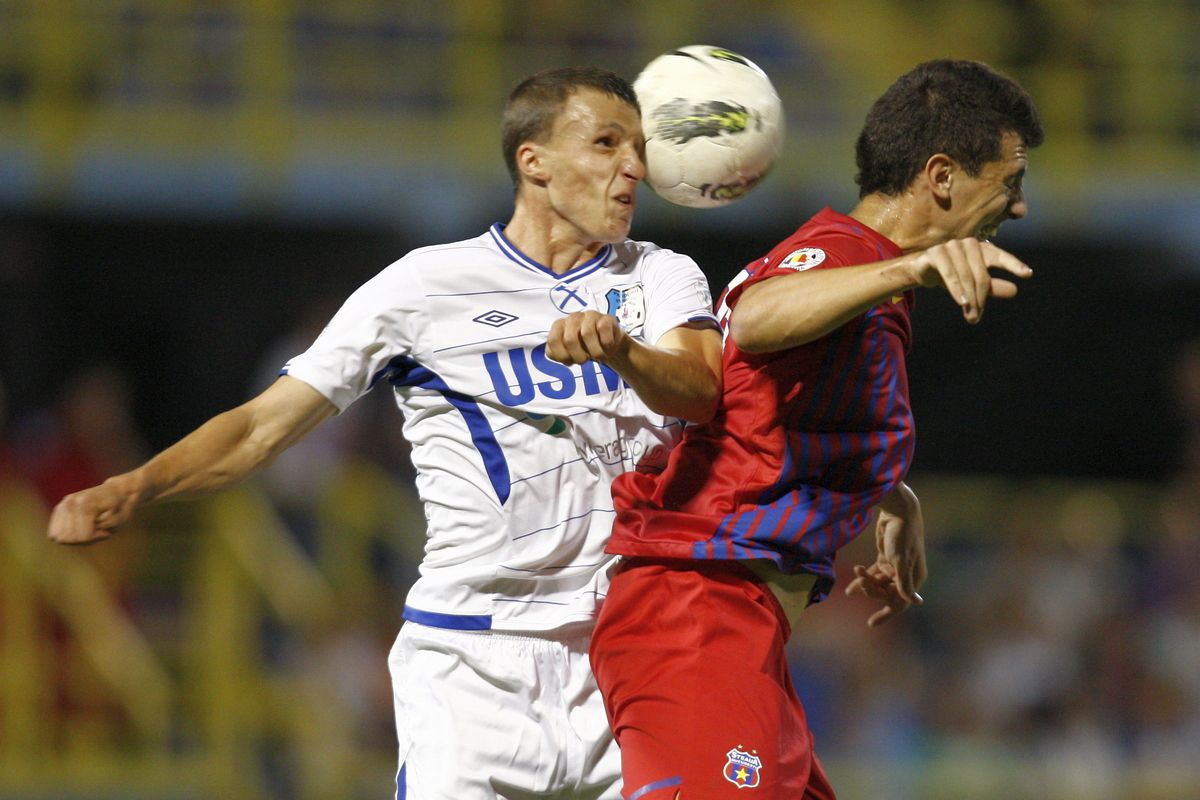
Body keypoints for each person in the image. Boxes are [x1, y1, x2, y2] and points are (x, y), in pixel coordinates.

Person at [47, 67, 723, 799]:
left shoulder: (659, 274)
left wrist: (624, 350)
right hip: (472, 663)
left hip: (630, 646)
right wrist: (134, 485)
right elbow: (261, 427)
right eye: (605, 143)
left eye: (638, 148)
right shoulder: (424, 287)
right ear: (534, 161)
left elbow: (701, 387)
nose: (634, 166)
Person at [590, 58, 1044, 799]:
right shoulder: (847, 259)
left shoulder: (857, 275)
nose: (1018, 206)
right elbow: (762, 318)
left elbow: (768, 407)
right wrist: (909, 271)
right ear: (941, 176)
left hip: (738, 628)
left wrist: (892, 498)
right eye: (1009, 180)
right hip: (695, 613)